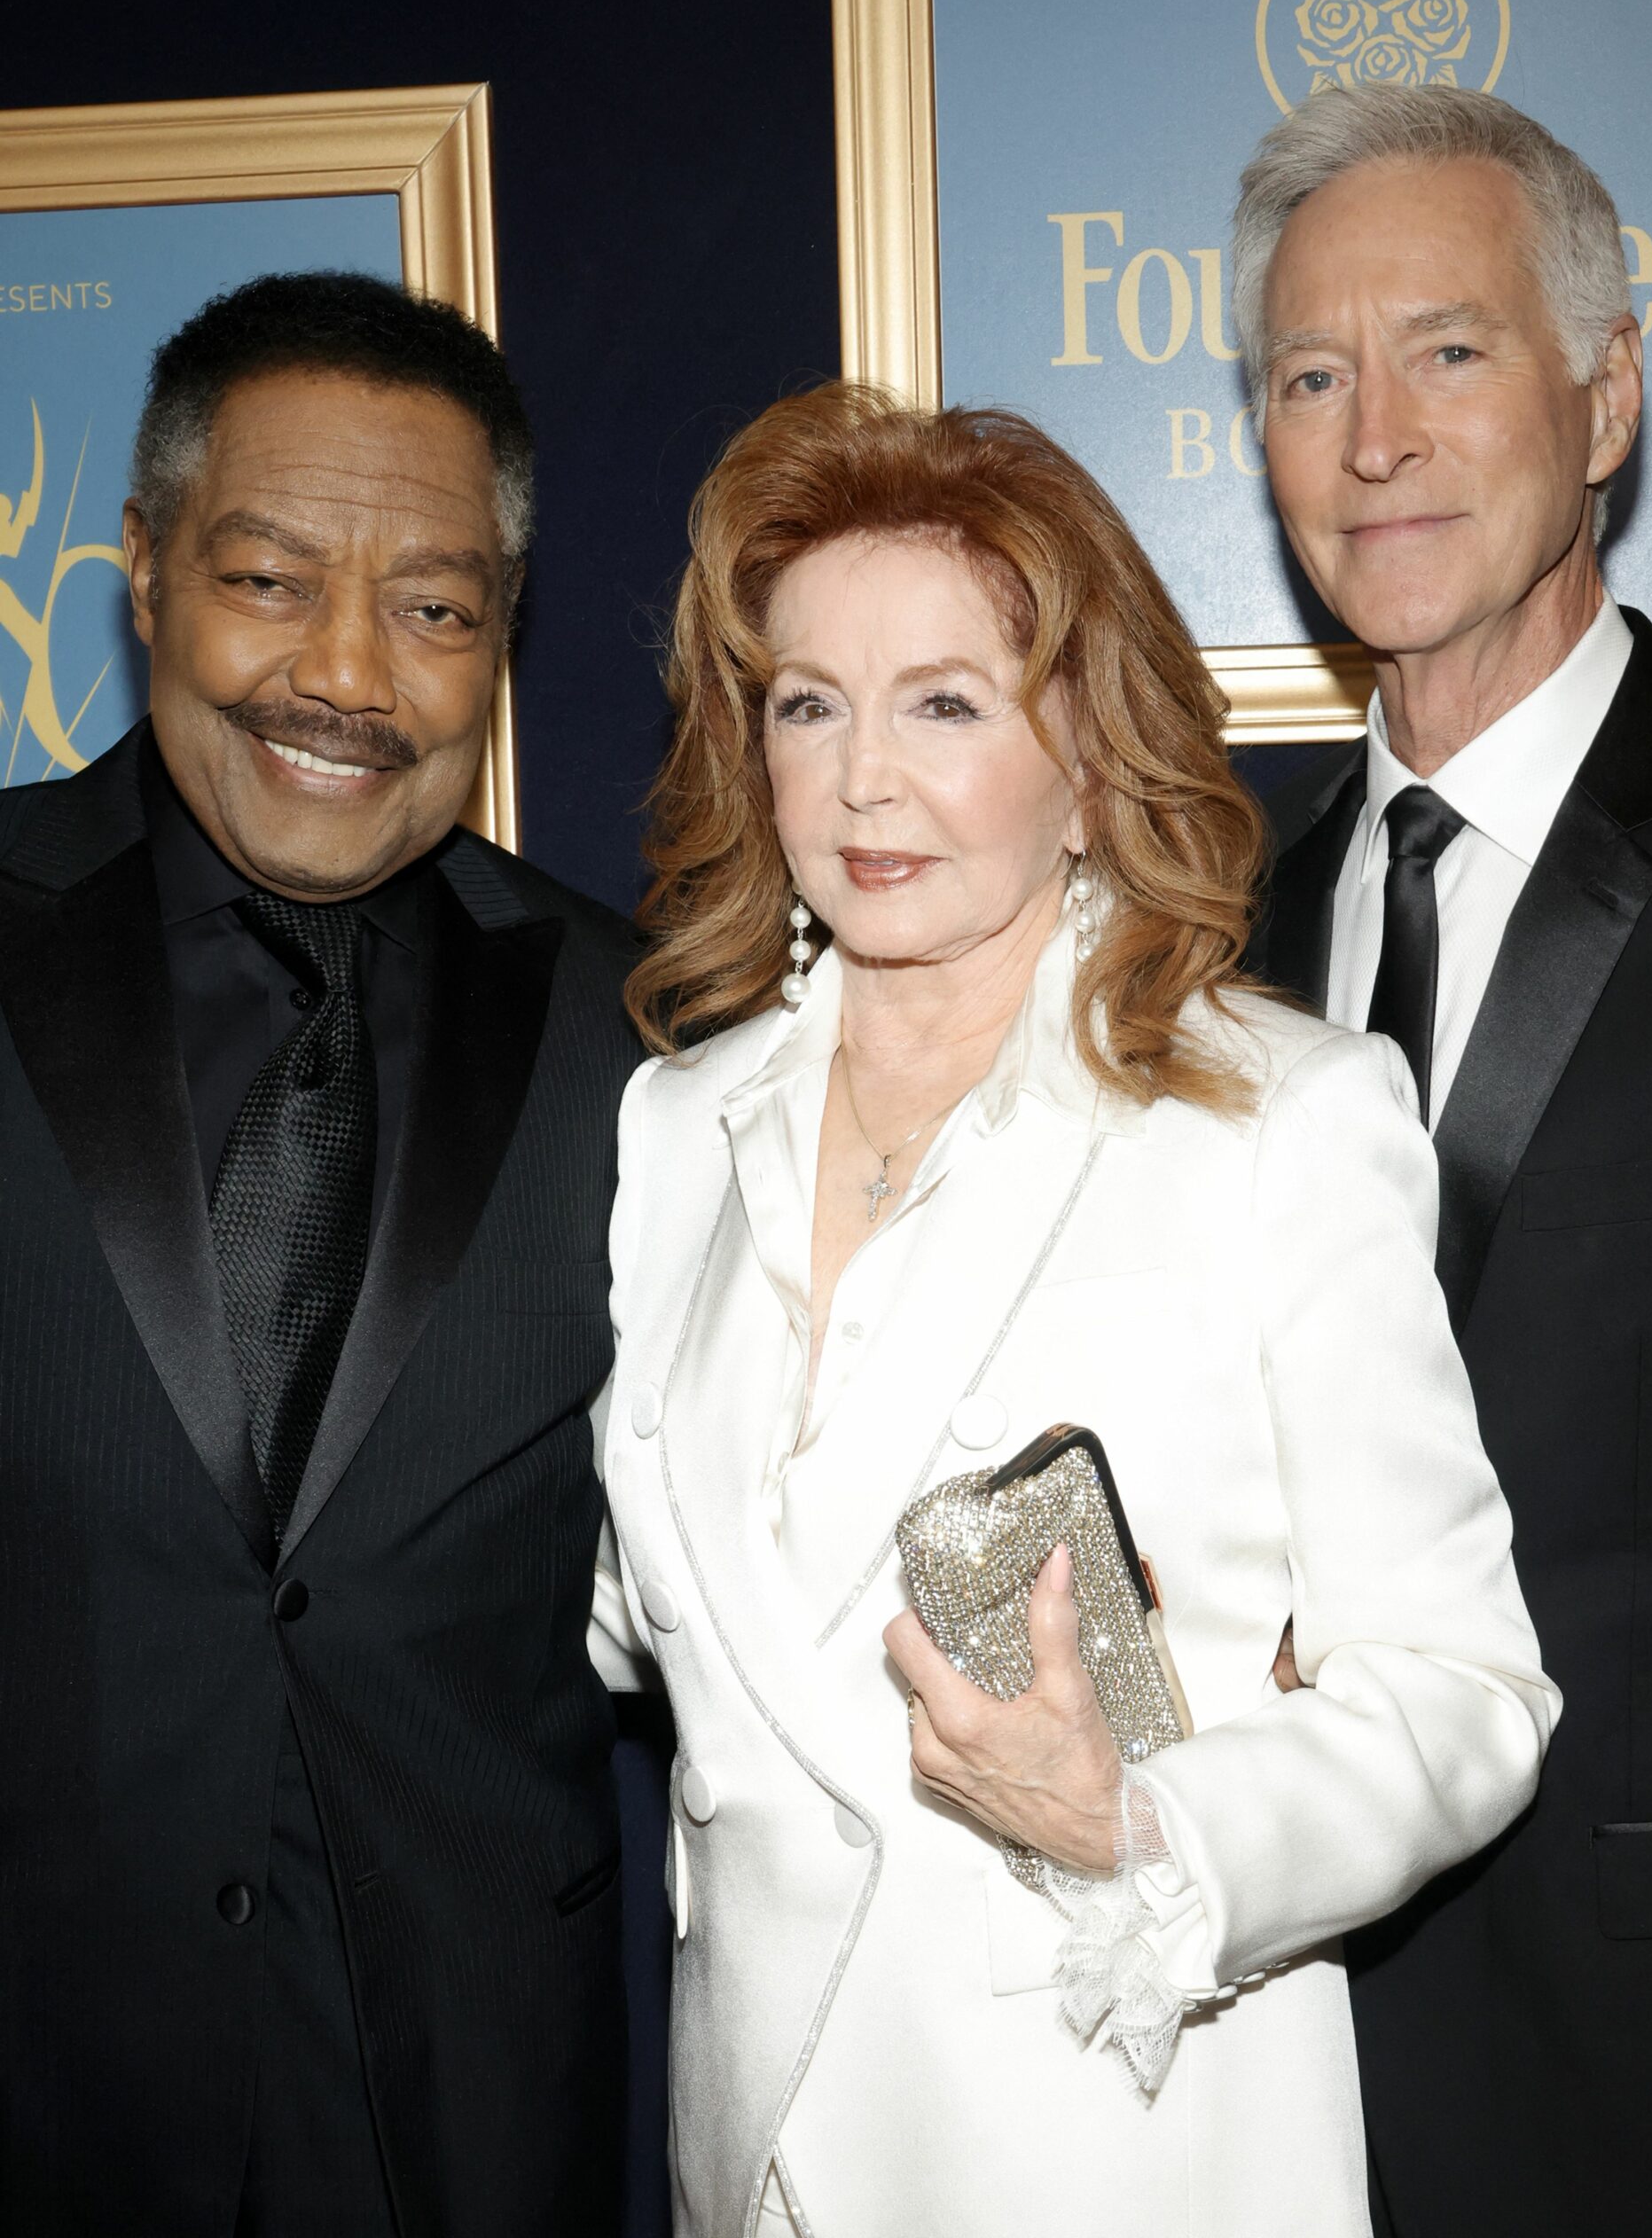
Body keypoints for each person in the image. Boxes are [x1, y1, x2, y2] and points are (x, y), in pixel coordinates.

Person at [591, 380, 1555, 2237]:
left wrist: (1144, 1820)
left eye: (945, 703)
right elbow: (651, 1616)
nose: (863, 778)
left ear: (1091, 757)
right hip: (753, 2167)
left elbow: (1463, 1693)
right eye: (808, 703)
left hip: (1113, 2147)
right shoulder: (676, 1128)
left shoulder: (1277, 1119)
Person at [0, 272, 637, 2237]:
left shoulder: (644, 1032)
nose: (348, 673)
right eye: (272, 581)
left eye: (434, 609)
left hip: (467, 2105)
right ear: (144, 571)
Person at [1239, 83, 1652, 2238]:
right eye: (1308, 376)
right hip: (1254, 2077)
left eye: (1445, 351)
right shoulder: (1206, 937)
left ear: (1607, 395)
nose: (1373, 437)